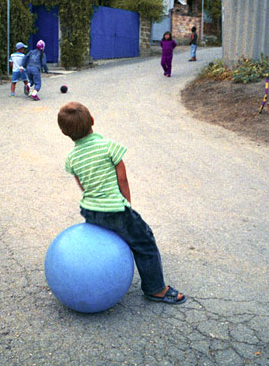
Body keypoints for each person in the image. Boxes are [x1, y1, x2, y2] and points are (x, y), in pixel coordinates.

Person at [57, 101, 187, 305]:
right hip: (116, 210)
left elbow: (82, 185)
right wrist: (126, 203)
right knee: (145, 242)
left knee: (112, 235)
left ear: (64, 132)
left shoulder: (71, 158)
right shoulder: (109, 146)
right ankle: (156, 289)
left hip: (90, 210)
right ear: (92, 121)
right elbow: (122, 178)